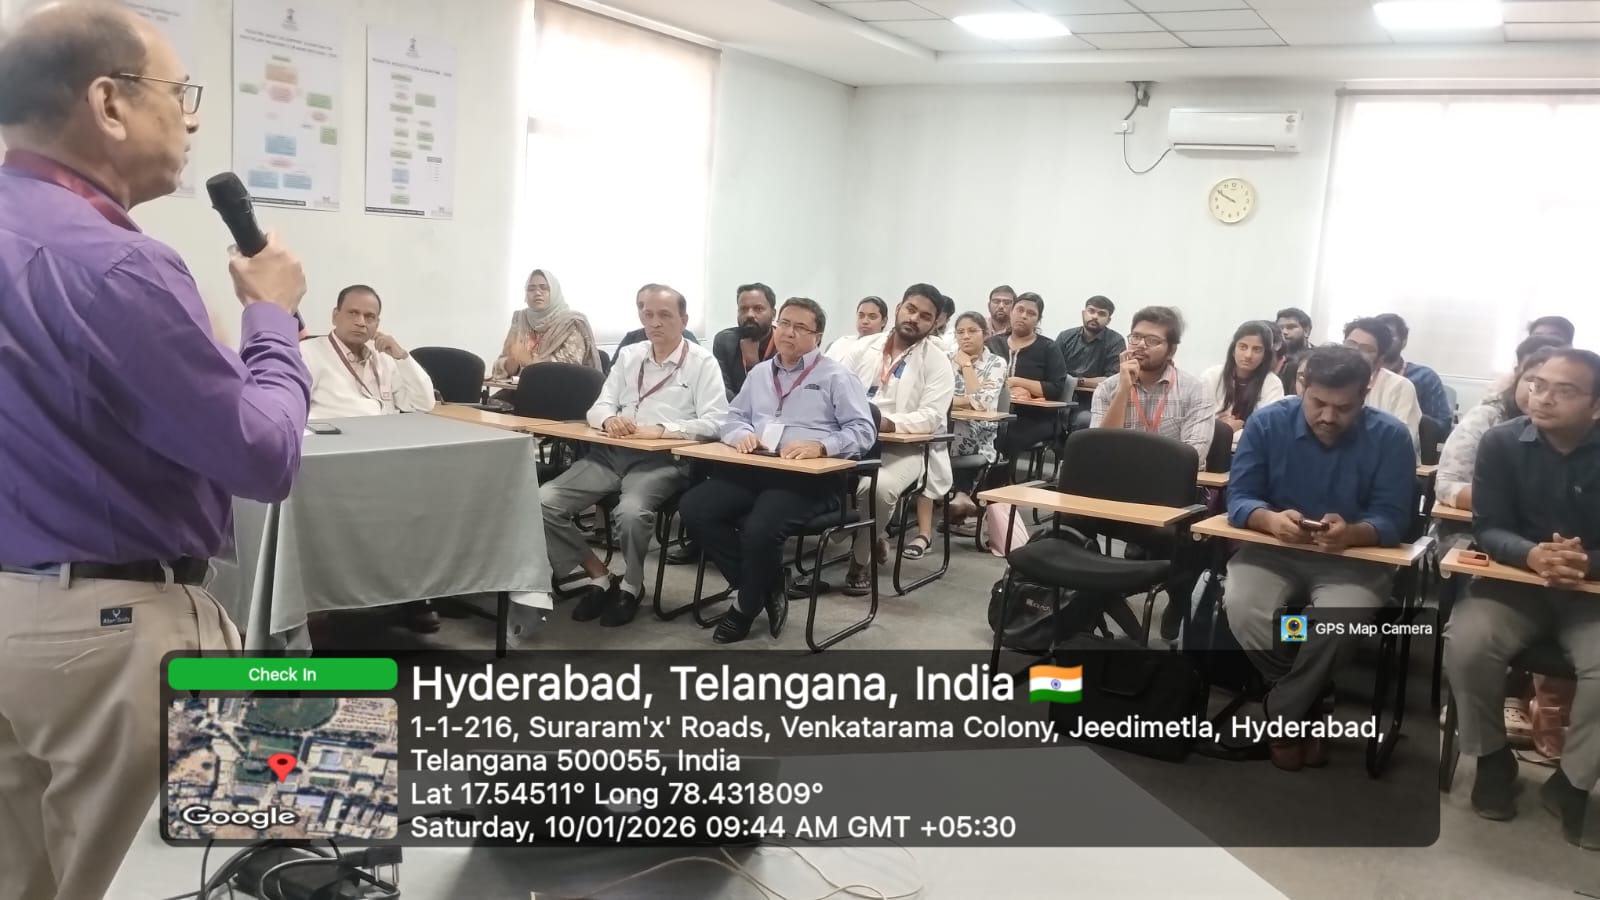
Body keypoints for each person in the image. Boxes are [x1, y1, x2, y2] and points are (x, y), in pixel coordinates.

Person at [0, 7, 310, 899]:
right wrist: (271, 319)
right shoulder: (117, 266)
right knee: (143, 879)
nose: (193, 117)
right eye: (180, 92)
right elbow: (262, 458)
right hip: (109, 642)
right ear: (109, 102)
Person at [1212, 347, 1415, 771]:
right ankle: (1311, 698)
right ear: (1301, 386)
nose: (1328, 416)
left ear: (1365, 394)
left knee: (1335, 623)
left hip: (1354, 558)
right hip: (1273, 550)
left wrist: (1354, 532)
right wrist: (1269, 520)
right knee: (1245, 607)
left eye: (1343, 407)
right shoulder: (1268, 423)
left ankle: (1283, 712)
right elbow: (1240, 497)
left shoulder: (1391, 436)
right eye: (1318, 403)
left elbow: (1395, 518)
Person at [1444, 348, 1600, 848]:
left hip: (1592, 594)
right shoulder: (1502, 441)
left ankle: (1573, 782)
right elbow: (1488, 526)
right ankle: (1492, 759)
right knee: (1468, 644)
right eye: (1538, 384)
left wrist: (1585, 563)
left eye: (1564, 390)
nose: (1543, 398)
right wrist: (1533, 555)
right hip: (1514, 582)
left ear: (1596, 406)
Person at [678, 298, 876, 644]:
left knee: (760, 529)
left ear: (817, 336)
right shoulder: (760, 373)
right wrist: (741, 435)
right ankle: (767, 584)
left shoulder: (837, 376)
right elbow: (733, 418)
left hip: (809, 478)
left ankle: (745, 605)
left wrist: (822, 446)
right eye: (784, 323)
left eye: (800, 327)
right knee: (694, 508)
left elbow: (863, 431)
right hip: (757, 466)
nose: (789, 332)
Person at [533, 286, 727, 630]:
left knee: (632, 512)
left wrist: (663, 430)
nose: (655, 322)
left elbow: (717, 422)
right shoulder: (629, 355)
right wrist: (609, 419)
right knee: (543, 501)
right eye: (647, 314)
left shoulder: (701, 362)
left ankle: (632, 585)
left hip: (662, 460)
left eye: (664, 315)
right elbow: (599, 407)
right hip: (612, 454)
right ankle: (599, 575)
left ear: (684, 319)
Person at [831, 286, 954, 589]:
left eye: (925, 316)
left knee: (877, 488)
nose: (914, 318)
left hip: (903, 449)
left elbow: (931, 416)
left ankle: (860, 560)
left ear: (935, 322)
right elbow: (833, 388)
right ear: (899, 308)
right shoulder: (864, 347)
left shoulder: (937, 362)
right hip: (854, 440)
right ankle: (873, 534)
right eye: (911, 309)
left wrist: (887, 423)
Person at [1091, 305, 1215, 464]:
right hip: (1118, 473)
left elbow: (1194, 456)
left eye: (1153, 340)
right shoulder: (1106, 388)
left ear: (1171, 351)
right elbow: (1100, 449)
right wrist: (1123, 390)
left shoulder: (1196, 390)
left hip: (1170, 475)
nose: (1140, 345)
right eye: (1136, 337)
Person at [300, 285, 436, 420]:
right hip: (337, 432)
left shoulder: (383, 357)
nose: (361, 322)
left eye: (369, 317)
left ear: (377, 323)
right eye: (353, 313)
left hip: (385, 431)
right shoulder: (307, 352)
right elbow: (295, 411)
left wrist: (402, 357)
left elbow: (423, 405)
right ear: (335, 316)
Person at [938, 311, 1006, 531]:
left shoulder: (996, 363)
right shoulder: (946, 359)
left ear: (985, 334)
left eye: (972, 331)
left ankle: (960, 494)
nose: (965, 336)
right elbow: (936, 398)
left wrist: (966, 366)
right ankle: (961, 495)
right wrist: (963, 401)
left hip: (981, 431)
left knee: (959, 427)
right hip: (945, 425)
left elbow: (981, 402)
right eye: (960, 332)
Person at [985, 292, 1068, 467]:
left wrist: (1017, 382)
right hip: (992, 411)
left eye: (1031, 313)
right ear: (1011, 312)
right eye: (1020, 310)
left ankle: (998, 482)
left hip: (1035, 417)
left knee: (1006, 435)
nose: (1024, 316)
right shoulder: (992, 344)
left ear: (1038, 320)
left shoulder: (1049, 348)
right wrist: (1009, 390)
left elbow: (1055, 388)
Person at [493, 268, 603, 377]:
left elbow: (568, 369)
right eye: (531, 289)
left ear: (555, 291)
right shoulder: (520, 318)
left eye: (544, 288)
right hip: (522, 386)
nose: (537, 293)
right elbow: (500, 363)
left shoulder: (572, 322)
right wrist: (511, 365)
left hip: (560, 387)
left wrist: (528, 361)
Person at [1339, 317, 1422, 455]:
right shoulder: (1325, 379)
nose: (1354, 352)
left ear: (1380, 359)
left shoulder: (1400, 387)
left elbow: (1402, 441)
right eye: (1350, 344)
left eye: (1366, 349)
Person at [1200, 320, 1284, 437]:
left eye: (1256, 349)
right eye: (1243, 347)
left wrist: (1228, 429)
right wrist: (1226, 429)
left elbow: (1268, 429)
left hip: (1251, 446)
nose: (1248, 355)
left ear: (1265, 355)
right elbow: (1199, 422)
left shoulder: (1273, 384)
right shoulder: (1211, 376)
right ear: (1233, 350)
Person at [1374, 313, 1452, 425]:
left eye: (1389, 336)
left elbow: (1443, 424)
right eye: (1379, 336)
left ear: (1404, 341)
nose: (1383, 341)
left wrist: (1412, 415)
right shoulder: (1364, 375)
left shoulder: (1425, 377)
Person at [711, 282, 778, 401]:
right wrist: (741, 410)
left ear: (773, 314)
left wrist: (753, 366)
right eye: (743, 309)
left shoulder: (785, 344)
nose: (749, 315)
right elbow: (722, 389)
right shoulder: (725, 341)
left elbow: (777, 395)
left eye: (758, 309)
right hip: (734, 410)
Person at [616, 283, 699, 350]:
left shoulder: (688, 342)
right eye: (641, 306)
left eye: (664, 315)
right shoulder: (629, 350)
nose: (655, 323)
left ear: (683, 321)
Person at [1276, 307, 1313, 394]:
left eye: (1291, 327)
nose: (1284, 332)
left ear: (1306, 331)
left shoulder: (1318, 357)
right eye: (1280, 328)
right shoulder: (1272, 357)